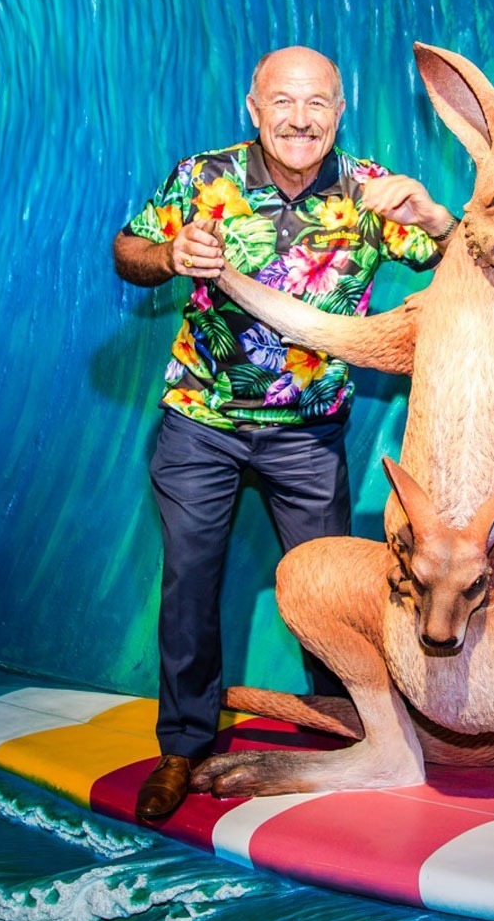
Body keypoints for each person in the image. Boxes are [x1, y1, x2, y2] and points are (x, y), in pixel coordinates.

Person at [113, 46, 458, 821]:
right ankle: (184, 747)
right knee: (190, 586)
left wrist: (436, 216)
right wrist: (170, 255)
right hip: (202, 421)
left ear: (341, 110)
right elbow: (127, 250)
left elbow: (453, 255)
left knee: (327, 596)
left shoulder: (374, 192)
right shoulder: (205, 179)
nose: (300, 118)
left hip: (308, 436)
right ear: (253, 106)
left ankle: (346, 739)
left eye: (317, 103)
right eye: (283, 101)